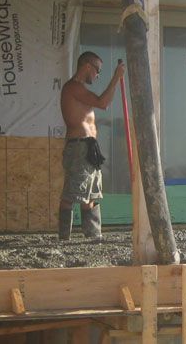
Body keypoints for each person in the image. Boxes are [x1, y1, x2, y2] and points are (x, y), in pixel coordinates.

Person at [58, 51, 125, 240]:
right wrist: (116, 78)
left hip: (88, 147)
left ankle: (93, 236)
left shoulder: (78, 90)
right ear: (87, 66)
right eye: (97, 70)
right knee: (72, 192)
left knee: (92, 192)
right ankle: (64, 237)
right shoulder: (73, 87)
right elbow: (102, 103)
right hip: (78, 147)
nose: (97, 75)